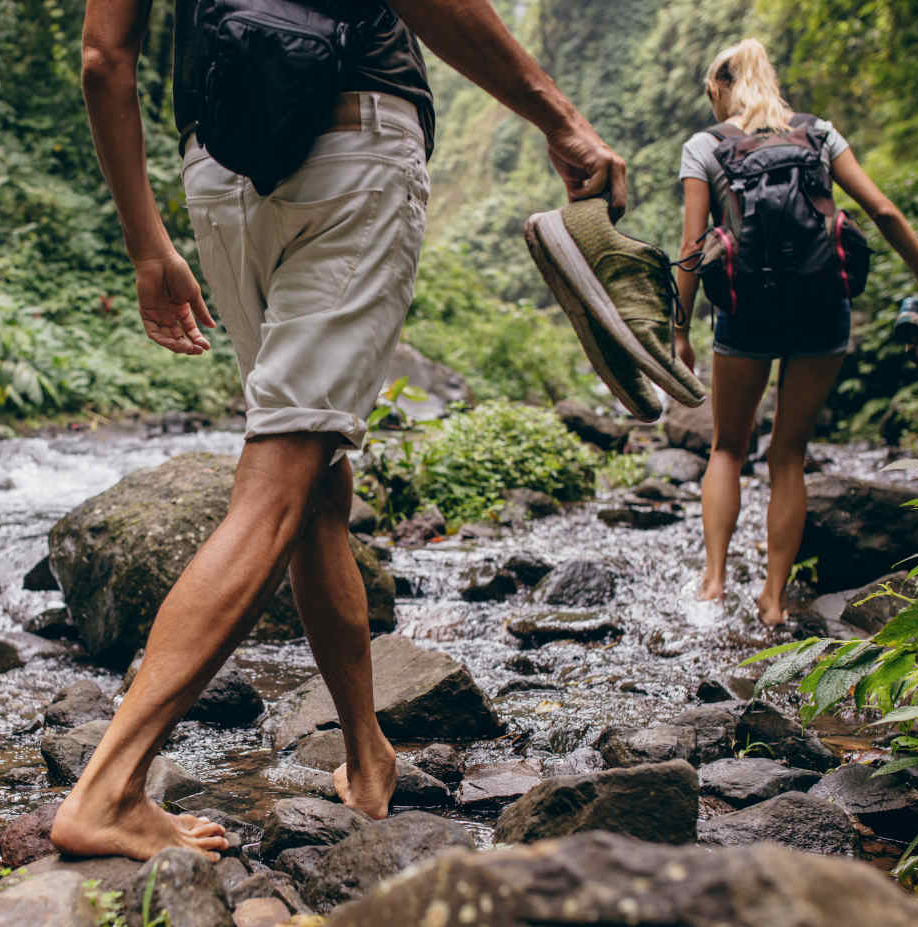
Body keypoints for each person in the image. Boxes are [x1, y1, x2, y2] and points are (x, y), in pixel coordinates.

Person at [50, 0, 626, 862]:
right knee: (280, 480)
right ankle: (109, 787)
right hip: (352, 140)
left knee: (316, 480)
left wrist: (146, 244)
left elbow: (105, 58)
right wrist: (561, 120)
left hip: (220, 164)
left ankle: (365, 753)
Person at [674, 38, 918, 628]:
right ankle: (774, 600)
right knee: (789, 456)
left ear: (719, 86)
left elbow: (689, 249)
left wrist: (679, 332)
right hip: (821, 306)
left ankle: (712, 586)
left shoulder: (705, 146)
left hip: (745, 310)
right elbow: (884, 212)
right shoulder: (820, 134)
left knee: (728, 449)